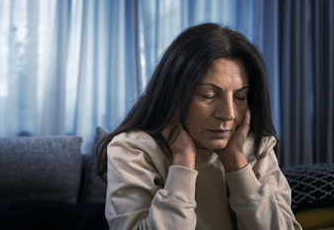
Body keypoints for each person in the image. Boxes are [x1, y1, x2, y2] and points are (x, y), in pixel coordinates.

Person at [96, 23, 301, 230]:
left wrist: (237, 164)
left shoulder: (257, 147)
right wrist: (183, 162)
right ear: (174, 95)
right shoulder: (132, 150)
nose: (229, 113)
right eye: (209, 95)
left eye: (239, 97)